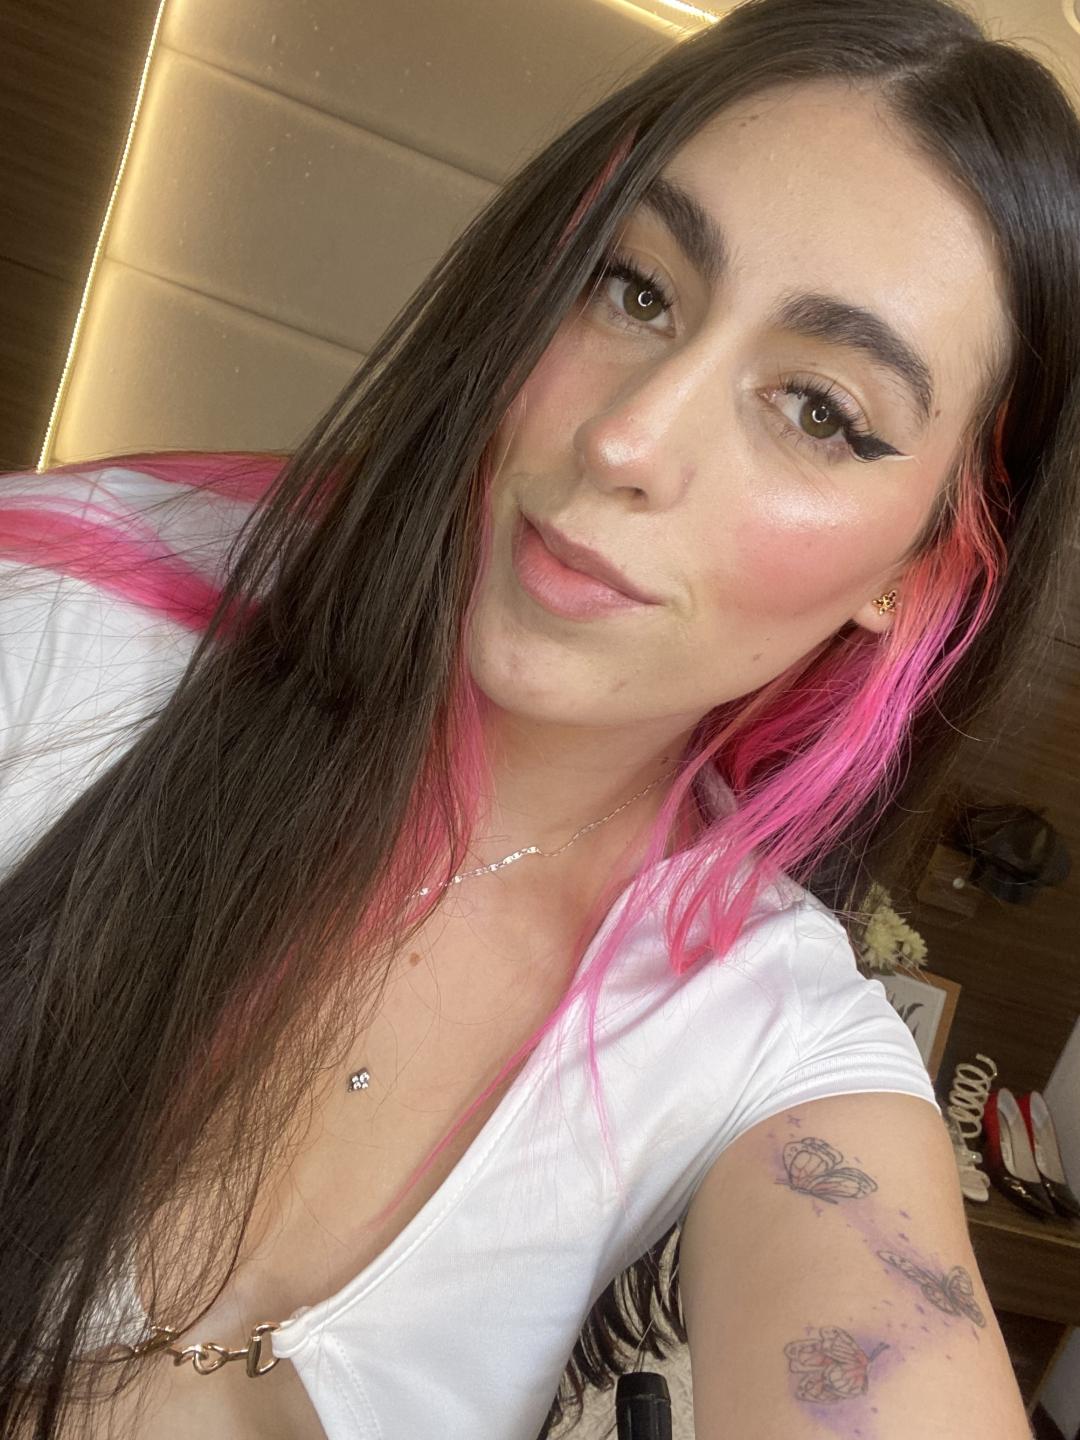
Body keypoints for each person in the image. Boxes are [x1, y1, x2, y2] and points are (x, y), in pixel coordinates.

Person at [2, 0, 1076, 1435]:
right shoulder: (60, 632)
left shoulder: (770, 1031)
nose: (627, 436)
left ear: (919, 570)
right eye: (634, 288)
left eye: (819, 409)